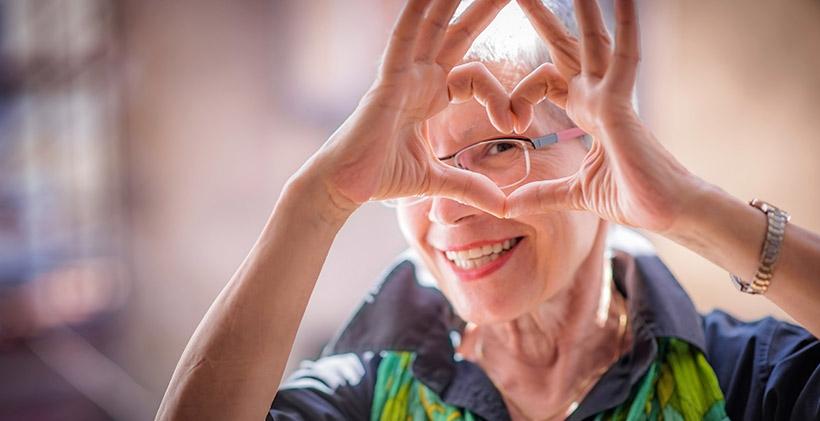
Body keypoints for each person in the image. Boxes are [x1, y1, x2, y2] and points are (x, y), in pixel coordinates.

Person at [155, 0, 820, 420]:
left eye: (499, 145)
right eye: (416, 165)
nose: (447, 208)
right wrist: (317, 201)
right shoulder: (361, 397)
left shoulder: (743, 381)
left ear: (606, 150)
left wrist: (695, 210)